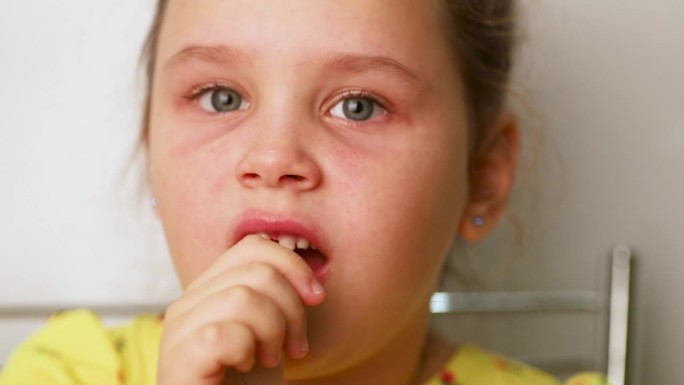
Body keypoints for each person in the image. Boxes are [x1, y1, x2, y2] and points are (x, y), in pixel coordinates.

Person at [0, 1, 608, 384]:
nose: (273, 158)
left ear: (483, 176)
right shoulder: (64, 373)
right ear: (148, 139)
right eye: (221, 97)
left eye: (359, 106)